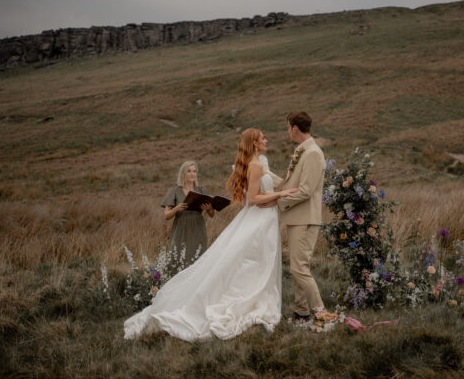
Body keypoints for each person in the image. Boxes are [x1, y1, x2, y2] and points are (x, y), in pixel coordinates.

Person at [124, 129, 297, 341]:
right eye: (262, 138)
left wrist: (275, 196)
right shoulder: (254, 166)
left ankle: (255, 296)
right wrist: (280, 194)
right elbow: (252, 199)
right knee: (253, 261)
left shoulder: (259, 163)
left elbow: (258, 196)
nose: (266, 140)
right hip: (259, 221)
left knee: (257, 262)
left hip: (265, 218)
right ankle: (245, 300)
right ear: (254, 143)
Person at [275, 111, 327, 321]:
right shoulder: (302, 151)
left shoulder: (313, 153)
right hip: (297, 218)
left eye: (288, 127)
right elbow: (292, 184)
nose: (287, 132)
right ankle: (301, 313)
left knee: (298, 269)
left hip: (305, 219)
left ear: (295, 128)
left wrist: (280, 200)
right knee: (299, 268)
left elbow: (306, 190)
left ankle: (321, 313)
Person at [161, 161, 215, 266]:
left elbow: (212, 214)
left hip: (198, 228)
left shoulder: (201, 190)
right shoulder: (175, 190)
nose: (192, 174)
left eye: (194, 171)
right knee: (178, 259)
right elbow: (166, 216)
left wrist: (209, 209)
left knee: (198, 259)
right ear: (183, 173)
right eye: (189, 171)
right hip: (181, 229)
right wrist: (176, 209)